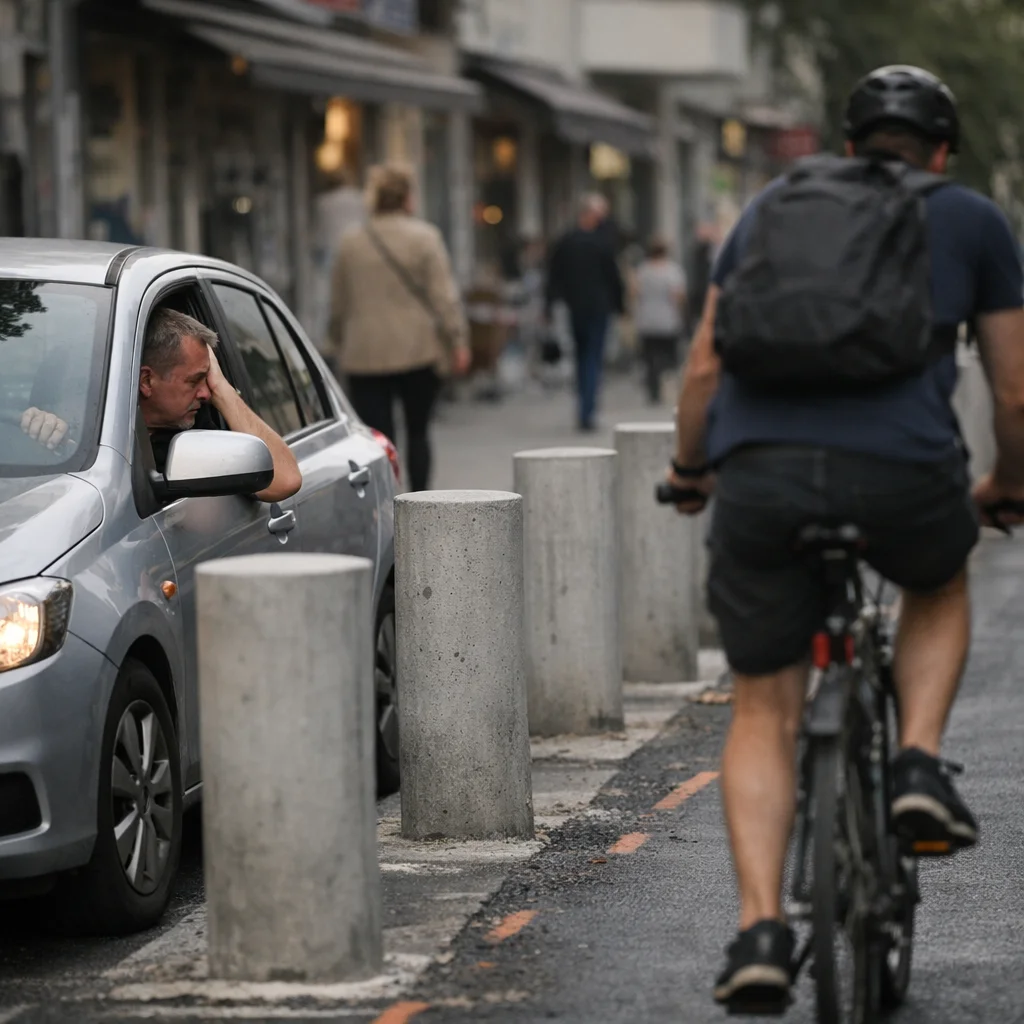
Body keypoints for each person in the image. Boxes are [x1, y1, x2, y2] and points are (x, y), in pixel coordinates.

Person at [664, 65, 1024, 1013]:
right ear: (942, 150)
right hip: (906, 472)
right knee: (939, 577)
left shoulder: (775, 205)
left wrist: (692, 471)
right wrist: (1008, 485)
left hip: (762, 478)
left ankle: (760, 931)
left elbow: (705, 359)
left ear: (849, 140)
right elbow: (1016, 387)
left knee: (762, 708)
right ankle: (915, 759)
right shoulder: (974, 220)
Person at [21, 308, 302, 504]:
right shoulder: (79, 424)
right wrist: (40, 438)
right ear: (146, 380)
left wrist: (223, 390)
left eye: (209, 381)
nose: (206, 393)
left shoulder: (200, 428)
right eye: (195, 380)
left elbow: (286, 480)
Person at [329, 163, 470, 492]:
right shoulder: (425, 237)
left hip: (364, 354)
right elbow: (444, 297)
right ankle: (420, 501)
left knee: (378, 438)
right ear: (407, 197)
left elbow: (338, 302)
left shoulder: (351, 242)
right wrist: (458, 340)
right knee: (418, 431)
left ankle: (386, 499)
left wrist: (333, 341)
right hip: (417, 350)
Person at [545, 193, 625, 431]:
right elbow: (613, 277)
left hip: (576, 307)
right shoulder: (602, 242)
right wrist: (620, 306)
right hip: (596, 308)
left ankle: (584, 407)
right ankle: (587, 410)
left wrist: (550, 304)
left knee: (582, 358)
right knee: (592, 358)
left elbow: (553, 276)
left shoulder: (566, 241)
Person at [632, 236, 687, 404]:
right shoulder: (672, 270)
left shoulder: (643, 270)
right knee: (668, 356)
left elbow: (635, 292)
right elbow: (678, 296)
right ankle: (666, 387)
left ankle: (653, 390)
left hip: (647, 320)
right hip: (667, 319)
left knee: (649, 357)